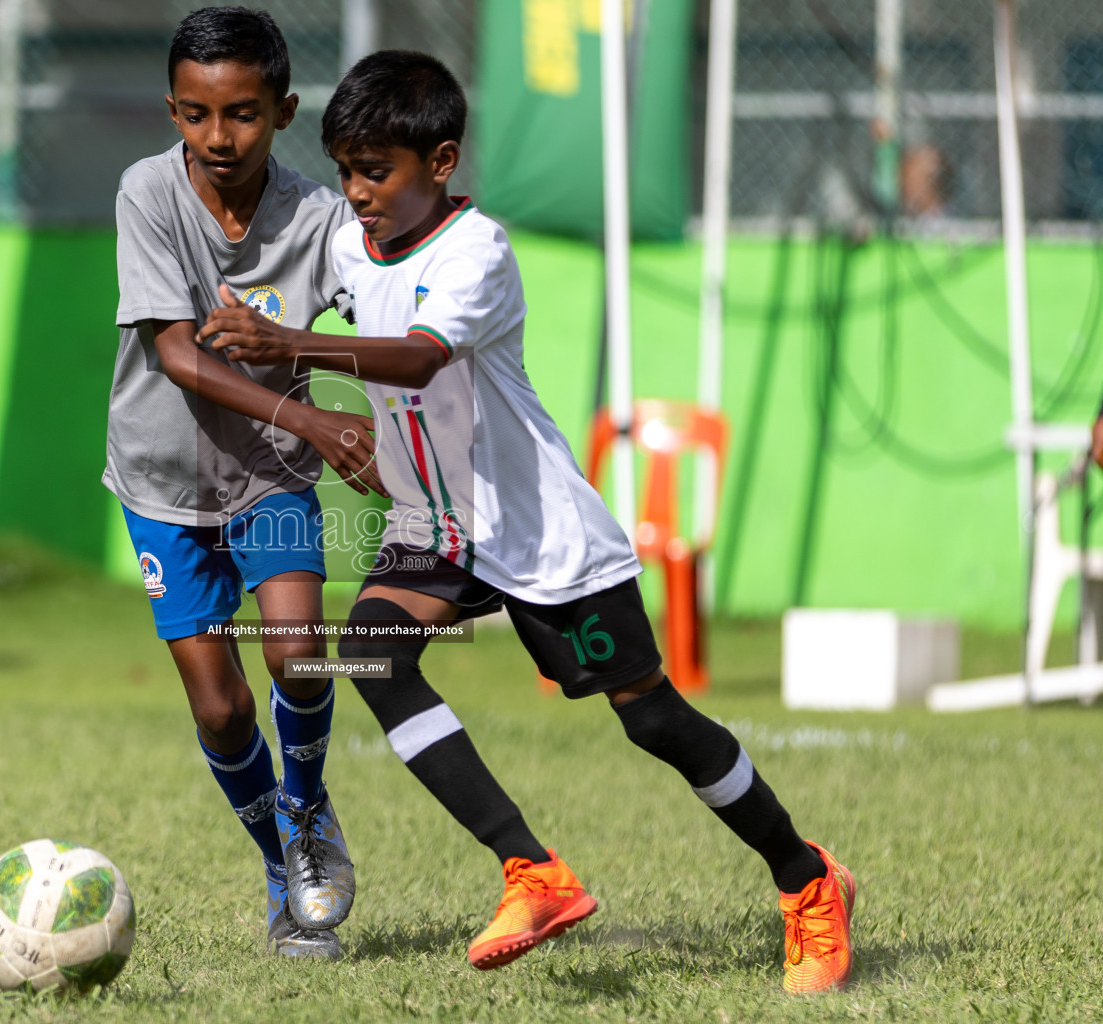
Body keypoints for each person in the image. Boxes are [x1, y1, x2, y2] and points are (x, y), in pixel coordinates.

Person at [199, 50, 858, 994]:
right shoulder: (349, 242)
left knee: (654, 721)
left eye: (375, 170)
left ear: (442, 161)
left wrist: (291, 344)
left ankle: (807, 881)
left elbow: (420, 359)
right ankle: (532, 872)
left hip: (539, 535)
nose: (356, 191)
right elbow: (298, 282)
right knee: (371, 657)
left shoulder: (479, 253)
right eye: (345, 169)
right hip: (435, 526)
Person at [103, 7, 380, 961]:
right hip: (162, 482)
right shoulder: (147, 195)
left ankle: (307, 820)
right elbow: (177, 354)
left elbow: (385, 322)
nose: (218, 138)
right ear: (173, 110)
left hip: (269, 478)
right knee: (218, 706)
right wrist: (314, 415)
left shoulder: (320, 219)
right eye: (195, 115)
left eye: (244, 115)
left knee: (298, 653)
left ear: (285, 110)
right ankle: (279, 863)